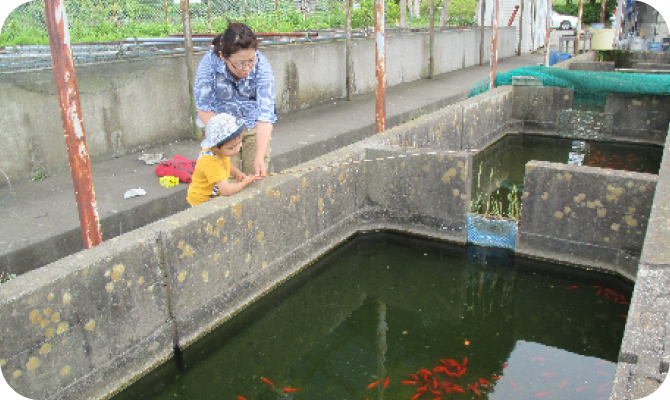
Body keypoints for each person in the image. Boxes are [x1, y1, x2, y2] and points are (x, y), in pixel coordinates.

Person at [194, 21, 276, 181]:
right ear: (223, 57)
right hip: (221, 128)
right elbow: (204, 107)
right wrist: (225, 137)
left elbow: (266, 115)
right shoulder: (209, 64)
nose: (246, 68)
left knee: (256, 176)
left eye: (251, 61)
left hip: (252, 126)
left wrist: (260, 156)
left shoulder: (262, 65)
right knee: (226, 181)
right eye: (239, 63)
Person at [187, 113, 255, 206]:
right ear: (215, 147)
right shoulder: (210, 161)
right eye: (231, 148)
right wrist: (245, 183)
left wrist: (237, 173)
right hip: (202, 201)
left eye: (239, 143)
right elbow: (226, 190)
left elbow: (226, 163)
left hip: (214, 195)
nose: (237, 150)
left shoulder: (221, 152)